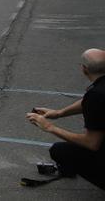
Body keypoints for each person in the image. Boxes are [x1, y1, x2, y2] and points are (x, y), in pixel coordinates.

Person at [26, 48, 105, 189]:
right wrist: (59, 113)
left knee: (59, 151)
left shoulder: (97, 96)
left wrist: (50, 127)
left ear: (84, 69)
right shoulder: (98, 91)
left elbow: (92, 143)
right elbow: (88, 100)